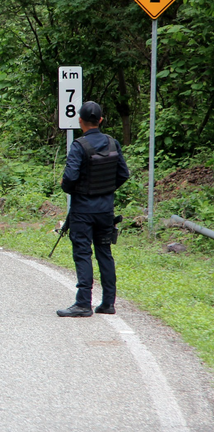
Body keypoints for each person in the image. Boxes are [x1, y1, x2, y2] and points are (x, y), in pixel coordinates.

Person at [57, 101, 130, 318]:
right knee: (104, 253)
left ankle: (83, 303)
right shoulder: (112, 143)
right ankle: (108, 302)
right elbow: (123, 174)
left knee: (82, 253)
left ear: (80, 121)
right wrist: (106, 190)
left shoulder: (79, 146)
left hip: (82, 210)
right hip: (106, 210)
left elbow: (69, 178)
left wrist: (74, 189)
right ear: (100, 120)